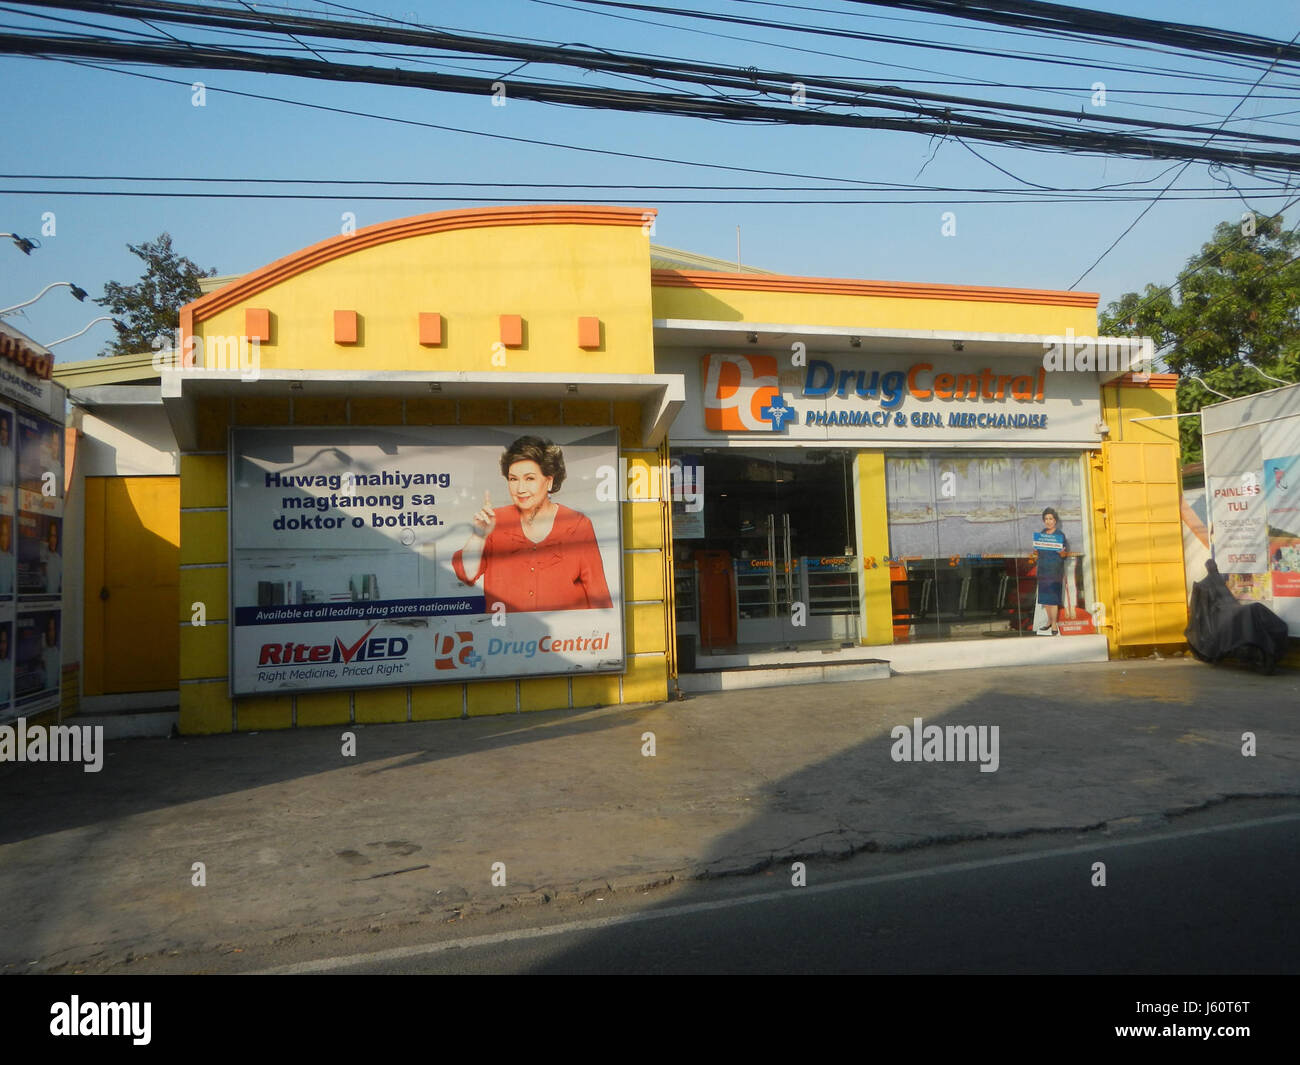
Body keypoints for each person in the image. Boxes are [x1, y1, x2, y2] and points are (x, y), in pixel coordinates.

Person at [453, 435, 612, 613]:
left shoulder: (577, 525)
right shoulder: (493, 521)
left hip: (564, 638)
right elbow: (467, 575)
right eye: (513, 479)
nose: (520, 489)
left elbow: (598, 595)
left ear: (549, 481)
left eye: (529, 478)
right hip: (505, 638)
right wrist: (479, 535)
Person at [1032, 507, 1069, 635]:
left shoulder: (1060, 535)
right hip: (1043, 569)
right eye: (1046, 519)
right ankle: (1049, 621)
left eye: (1051, 519)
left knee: (1053, 599)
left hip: (1054, 570)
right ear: (1044, 521)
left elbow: (1064, 556)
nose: (1048, 521)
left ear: (1055, 521)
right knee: (1046, 599)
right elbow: (1037, 553)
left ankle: (1054, 624)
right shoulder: (1042, 533)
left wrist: (1062, 553)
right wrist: (1035, 551)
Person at [41, 519, 61, 595]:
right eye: (51, 536)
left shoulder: (59, 558)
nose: (53, 540)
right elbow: (42, 581)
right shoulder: (43, 555)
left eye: (55, 536)